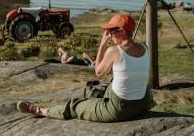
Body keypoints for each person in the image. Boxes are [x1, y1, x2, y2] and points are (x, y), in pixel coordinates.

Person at [17, 13, 156, 122]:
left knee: (75, 106)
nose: (109, 33)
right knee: (105, 87)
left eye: (111, 30)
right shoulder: (146, 48)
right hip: (142, 103)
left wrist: (102, 44)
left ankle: (40, 111)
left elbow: (98, 71)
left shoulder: (114, 51)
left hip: (119, 109)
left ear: (122, 31)